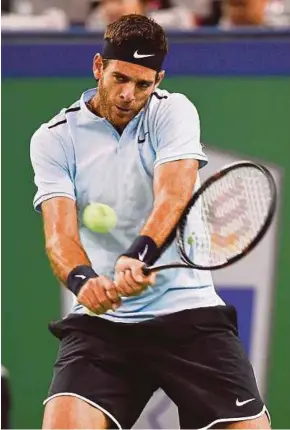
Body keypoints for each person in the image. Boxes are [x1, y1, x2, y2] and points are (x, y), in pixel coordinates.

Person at [30, 13, 271, 430]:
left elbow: (173, 194)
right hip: (104, 326)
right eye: (120, 78)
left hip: (188, 312)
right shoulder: (54, 138)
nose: (128, 94)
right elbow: (59, 236)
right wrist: (85, 281)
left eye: (143, 84)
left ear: (158, 80)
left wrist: (137, 254)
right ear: (98, 67)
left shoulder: (173, 112)